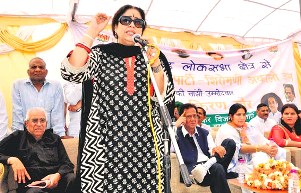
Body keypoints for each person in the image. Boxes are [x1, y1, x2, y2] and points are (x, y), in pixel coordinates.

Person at [60, 4, 175, 193]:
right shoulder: (100, 54)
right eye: (126, 20)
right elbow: (72, 71)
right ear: (115, 27)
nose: (132, 25)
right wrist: (92, 30)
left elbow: (163, 97)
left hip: (144, 143)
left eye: (138, 22)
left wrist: (155, 64)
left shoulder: (152, 55)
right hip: (105, 142)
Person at [0, 107, 75, 193]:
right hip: (31, 186)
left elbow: (67, 164)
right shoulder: (17, 137)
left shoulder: (55, 139)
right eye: (35, 121)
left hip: (55, 183)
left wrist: (58, 175)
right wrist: (13, 160)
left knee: (72, 178)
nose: (39, 124)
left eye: (42, 121)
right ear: (26, 123)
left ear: (46, 124)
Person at [215, 103, 286, 181]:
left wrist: (271, 147)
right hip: (235, 162)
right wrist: (261, 148)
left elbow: (262, 140)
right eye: (238, 115)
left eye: (244, 115)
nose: (242, 118)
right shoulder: (226, 130)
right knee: (260, 157)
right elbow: (238, 149)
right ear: (231, 116)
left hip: (251, 157)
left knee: (279, 153)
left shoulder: (248, 126)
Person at [176, 103, 236, 193]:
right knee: (218, 168)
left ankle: (207, 166)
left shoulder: (204, 132)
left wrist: (216, 150)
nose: (193, 119)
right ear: (182, 118)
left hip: (210, 164)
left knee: (229, 143)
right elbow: (167, 147)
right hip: (194, 171)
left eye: (195, 116)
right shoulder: (176, 134)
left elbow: (212, 150)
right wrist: (177, 123)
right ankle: (216, 170)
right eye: (189, 116)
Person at [12, 57, 66, 137]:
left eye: (41, 67)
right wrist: (18, 136)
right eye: (34, 67)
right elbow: (17, 112)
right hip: (26, 134)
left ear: (46, 72)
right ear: (28, 72)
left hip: (49, 134)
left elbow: (57, 113)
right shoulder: (18, 85)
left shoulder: (56, 86)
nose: (37, 69)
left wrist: (60, 135)